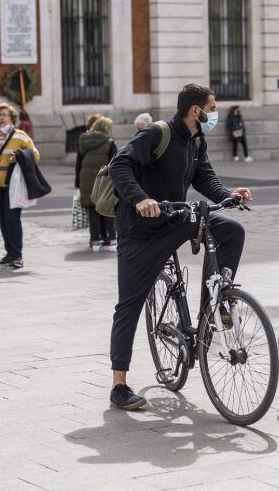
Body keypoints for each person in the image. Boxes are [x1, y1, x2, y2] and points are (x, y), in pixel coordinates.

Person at [106, 83, 254, 411]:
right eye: (211, 108)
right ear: (194, 110)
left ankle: (212, 306)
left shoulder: (195, 140)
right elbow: (120, 166)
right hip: (140, 232)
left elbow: (205, 178)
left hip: (173, 219)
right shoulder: (157, 133)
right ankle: (119, 386)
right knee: (128, 305)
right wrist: (141, 199)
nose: (214, 114)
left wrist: (228, 195)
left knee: (231, 231)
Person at [0, 103, 39, 269]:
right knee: (3, 219)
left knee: (12, 219)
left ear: (11, 118)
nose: (1, 117)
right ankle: (9, 253)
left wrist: (18, 155)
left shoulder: (20, 135)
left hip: (13, 184)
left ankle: (17, 255)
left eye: (4, 114)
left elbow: (35, 155)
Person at [76, 116, 118, 252]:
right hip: (104, 180)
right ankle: (112, 240)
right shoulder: (110, 143)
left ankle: (95, 242)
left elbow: (78, 163)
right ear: (107, 128)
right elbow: (115, 164)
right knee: (107, 209)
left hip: (86, 180)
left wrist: (77, 182)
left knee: (93, 210)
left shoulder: (84, 141)